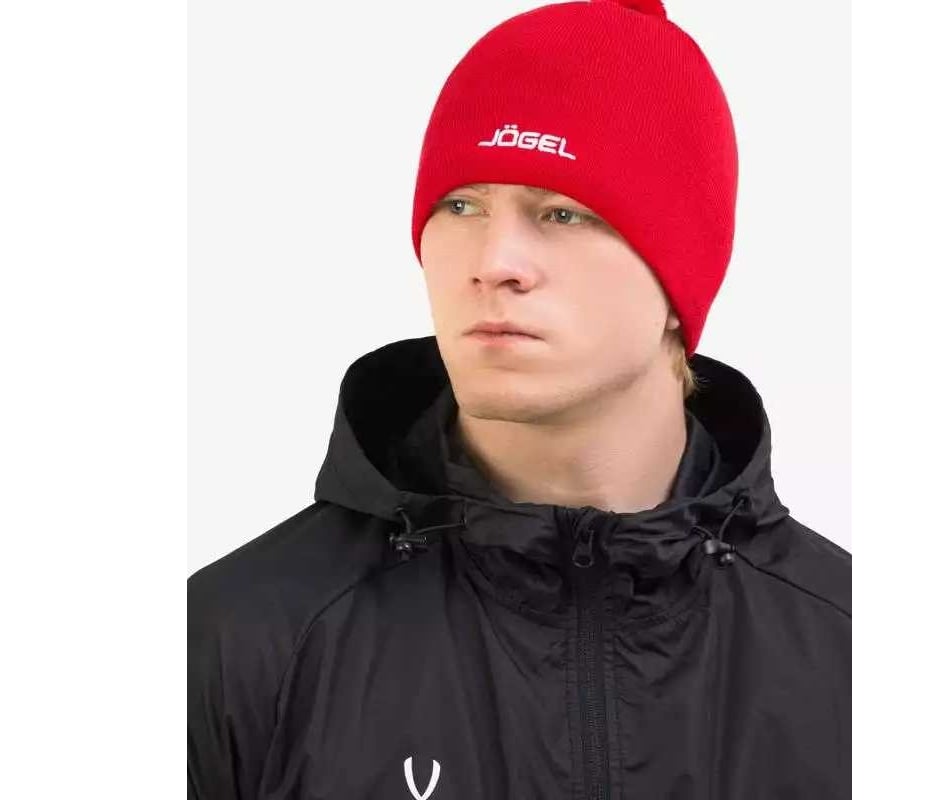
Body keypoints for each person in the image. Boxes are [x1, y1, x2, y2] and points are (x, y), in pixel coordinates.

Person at [188, 0, 850, 797]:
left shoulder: (847, 654)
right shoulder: (238, 643)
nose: (493, 261)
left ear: (681, 281)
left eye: (562, 212)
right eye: (461, 205)